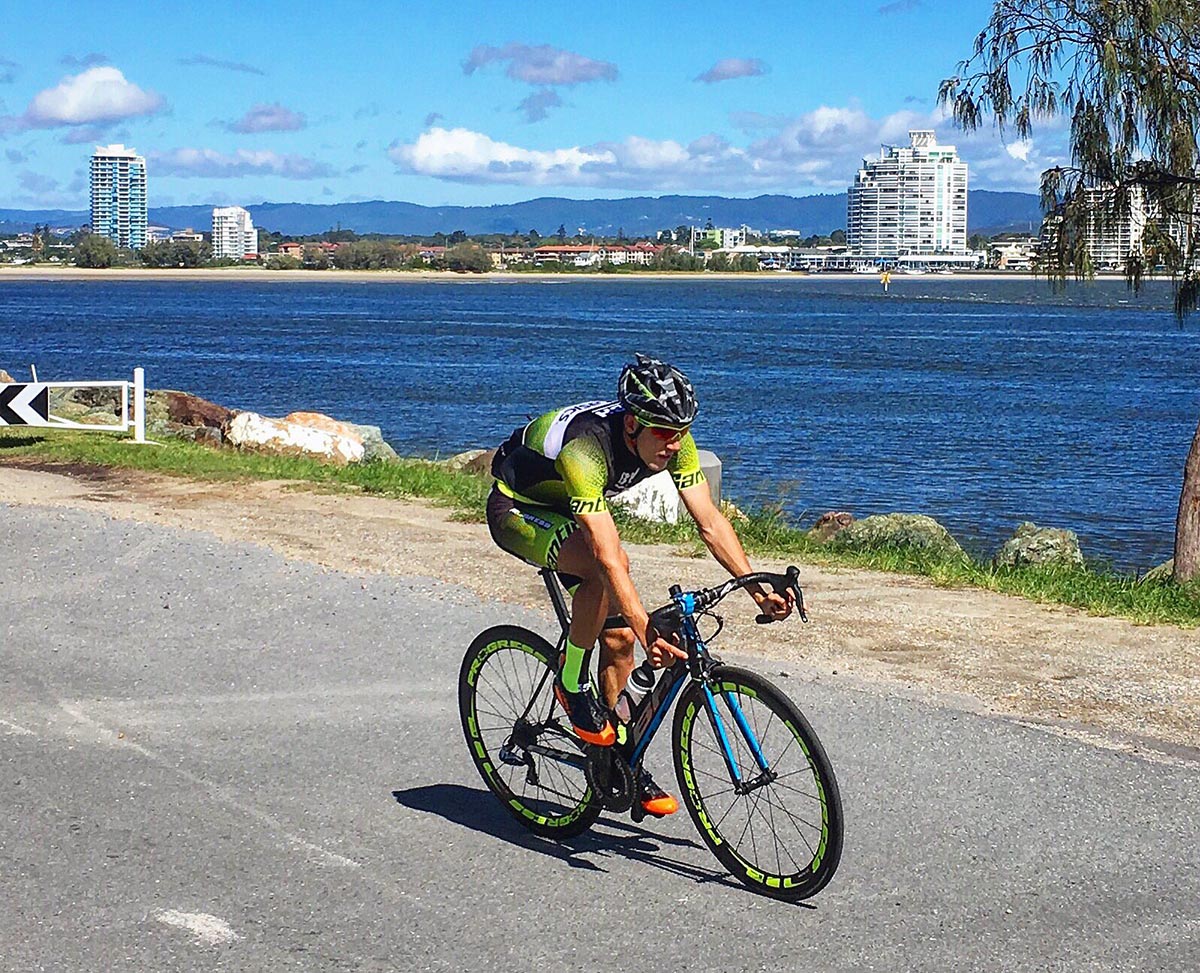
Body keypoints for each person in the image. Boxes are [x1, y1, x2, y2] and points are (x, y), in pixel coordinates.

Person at [487, 353, 793, 818]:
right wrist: (647, 623)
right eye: (664, 434)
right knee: (601, 567)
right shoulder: (585, 451)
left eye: (682, 432)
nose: (674, 445)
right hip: (518, 509)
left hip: (572, 511)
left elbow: (709, 521)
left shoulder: (674, 441)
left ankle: (615, 764)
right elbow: (610, 556)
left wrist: (755, 587)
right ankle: (570, 685)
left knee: (620, 642)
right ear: (632, 424)